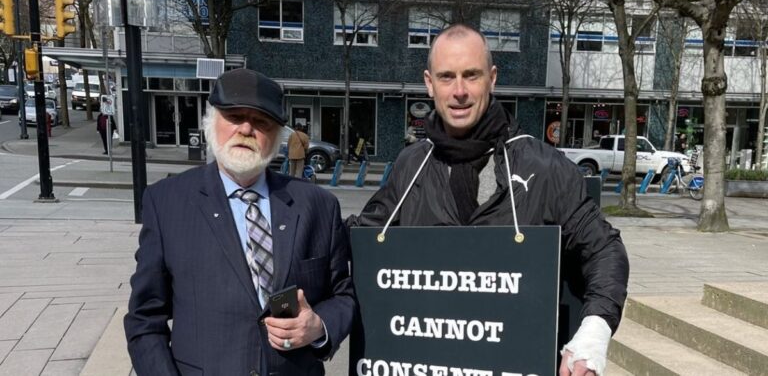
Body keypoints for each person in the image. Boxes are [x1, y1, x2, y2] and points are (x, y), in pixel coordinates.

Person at [346, 24, 628, 376]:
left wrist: (594, 332)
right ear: (429, 83)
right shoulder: (411, 165)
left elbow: (604, 249)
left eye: (471, 75)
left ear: (492, 79)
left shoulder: (543, 166)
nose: (459, 91)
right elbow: (363, 238)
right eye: (446, 77)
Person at [124, 69, 356, 375]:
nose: (246, 128)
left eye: (262, 121)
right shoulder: (167, 202)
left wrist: (319, 326)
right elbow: (144, 319)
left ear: (277, 137)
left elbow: (344, 295)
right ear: (211, 123)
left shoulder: (317, 205)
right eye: (234, 116)